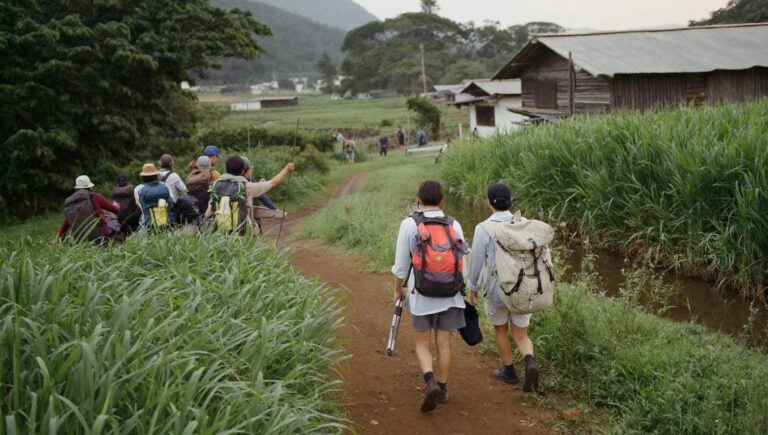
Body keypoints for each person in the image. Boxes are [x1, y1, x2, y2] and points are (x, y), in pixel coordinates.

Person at [392, 180, 469, 412]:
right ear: (442, 200)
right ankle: (443, 389)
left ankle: (430, 382)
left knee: (422, 343)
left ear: (419, 200)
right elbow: (462, 265)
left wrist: (398, 288)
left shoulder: (409, 224)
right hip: (450, 296)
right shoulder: (453, 224)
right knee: (444, 343)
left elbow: (401, 266)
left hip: (421, 295)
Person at [467, 182, 540, 393]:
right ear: (511, 202)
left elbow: (476, 262)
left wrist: (472, 287)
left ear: (489, 202)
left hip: (497, 289)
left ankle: (509, 371)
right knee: (521, 334)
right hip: (523, 288)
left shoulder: (483, 228)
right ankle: (529, 362)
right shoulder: (524, 223)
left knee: (501, 329)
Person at [204, 156, 294, 234]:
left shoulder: (215, 185)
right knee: (256, 230)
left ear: (226, 168)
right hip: (243, 232)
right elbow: (273, 182)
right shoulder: (247, 186)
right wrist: (286, 169)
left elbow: (208, 212)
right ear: (243, 171)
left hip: (220, 230)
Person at [59, 175, 121, 243]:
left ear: (76, 188)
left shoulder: (69, 202)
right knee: (110, 216)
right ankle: (117, 240)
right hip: (101, 238)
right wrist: (116, 206)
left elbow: (63, 228)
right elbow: (115, 210)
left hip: (81, 242)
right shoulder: (95, 197)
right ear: (89, 186)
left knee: (103, 215)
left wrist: (58, 239)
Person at [134, 163, 174, 229]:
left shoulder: (140, 190)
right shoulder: (164, 186)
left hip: (150, 224)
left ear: (143, 177)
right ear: (156, 175)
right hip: (167, 222)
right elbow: (171, 202)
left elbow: (140, 205)